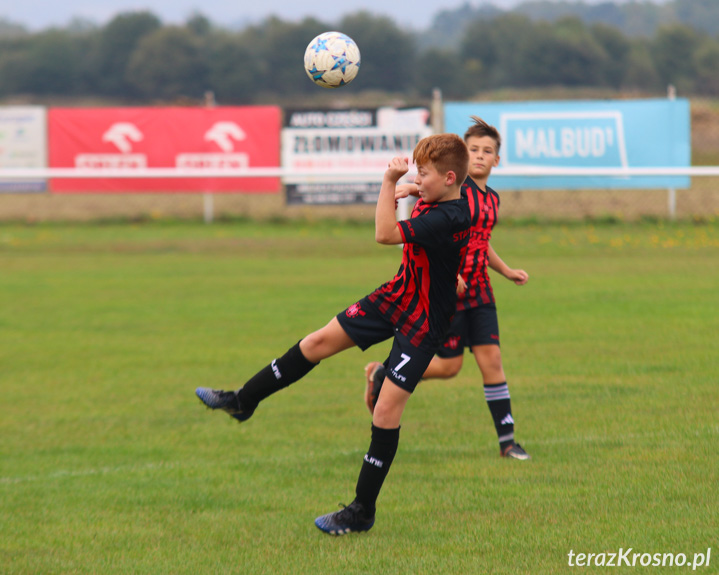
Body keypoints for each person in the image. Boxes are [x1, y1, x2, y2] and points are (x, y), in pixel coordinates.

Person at [195, 133, 471, 536]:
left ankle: (362, 511)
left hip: (424, 319)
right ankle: (242, 400)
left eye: (424, 173)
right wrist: (409, 185)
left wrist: (388, 183)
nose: (418, 177)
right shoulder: (441, 199)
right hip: (396, 296)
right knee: (315, 343)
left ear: (449, 177)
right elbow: (422, 199)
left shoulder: (448, 216)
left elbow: (384, 235)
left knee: (385, 410)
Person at [364, 116, 531, 460]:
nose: (480, 156)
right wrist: (410, 187)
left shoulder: (492, 199)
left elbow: (480, 243)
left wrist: (505, 270)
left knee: (493, 361)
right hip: (448, 294)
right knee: (450, 366)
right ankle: (386, 374)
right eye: (473, 150)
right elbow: (426, 216)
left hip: (480, 291)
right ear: (463, 159)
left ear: (497, 159)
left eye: (488, 151)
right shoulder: (455, 190)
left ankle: (508, 442)